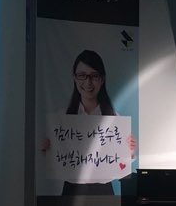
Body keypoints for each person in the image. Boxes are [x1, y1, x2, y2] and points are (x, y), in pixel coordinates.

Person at [40, 49, 135, 196]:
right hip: (72, 190)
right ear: (74, 78)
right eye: (82, 75)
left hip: (103, 191)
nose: (88, 82)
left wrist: (130, 152)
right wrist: (45, 150)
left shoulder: (116, 120)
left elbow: (122, 166)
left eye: (94, 76)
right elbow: (51, 160)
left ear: (102, 79)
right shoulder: (61, 119)